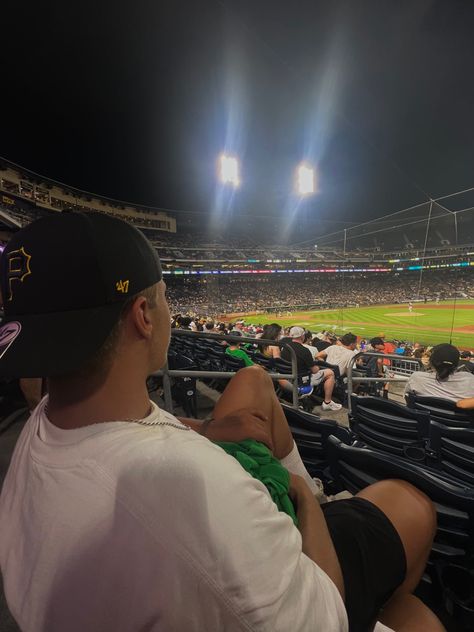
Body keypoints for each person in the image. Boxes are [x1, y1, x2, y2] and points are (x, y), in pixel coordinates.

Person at [0, 213, 444, 632]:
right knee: (411, 505)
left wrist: (206, 429)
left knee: (253, 379)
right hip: (304, 585)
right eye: (165, 296)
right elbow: (325, 619)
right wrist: (306, 503)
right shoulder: (186, 485)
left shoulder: (39, 424)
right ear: (143, 316)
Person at [281, 327, 342, 411]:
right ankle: (327, 402)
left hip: (287, 378)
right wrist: (317, 367)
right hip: (302, 381)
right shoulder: (304, 350)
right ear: (302, 337)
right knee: (330, 372)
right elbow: (314, 370)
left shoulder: (285, 348)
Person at [405, 343, 474, 402]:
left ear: (432, 362)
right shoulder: (470, 380)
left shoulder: (416, 377)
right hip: (456, 417)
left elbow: (407, 398)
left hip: (420, 417)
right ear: (456, 364)